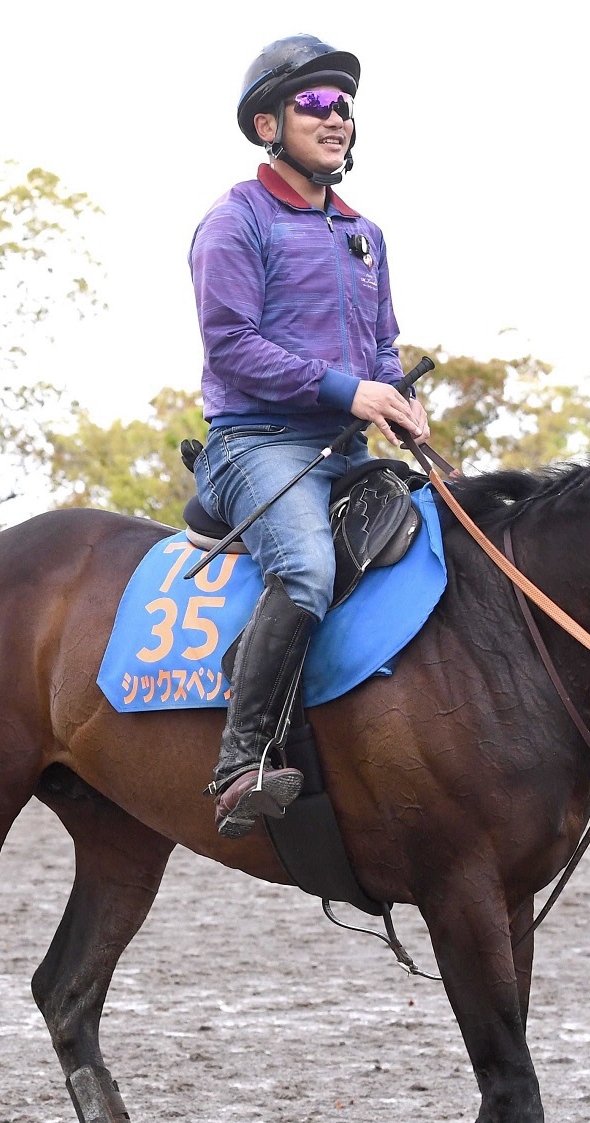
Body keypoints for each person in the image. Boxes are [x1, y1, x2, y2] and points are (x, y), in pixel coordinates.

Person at [188, 34, 430, 839]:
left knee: (444, 531)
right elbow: (233, 347)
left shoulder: (367, 236)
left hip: (348, 449)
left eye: (345, 106)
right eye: (316, 105)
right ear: (267, 125)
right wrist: (349, 390)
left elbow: (383, 346)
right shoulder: (234, 222)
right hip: (254, 443)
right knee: (307, 568)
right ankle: (241, 762)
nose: (337, 119)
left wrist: (392, 396)